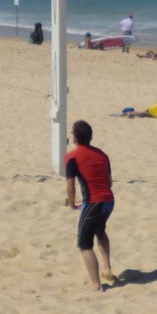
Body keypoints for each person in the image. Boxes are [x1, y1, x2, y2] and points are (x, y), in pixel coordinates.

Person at [64, 120, 116, 291]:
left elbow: (70, 185)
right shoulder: (102, 154)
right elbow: (109, 182)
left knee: (84, 244)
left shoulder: (71, 157)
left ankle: (96, 285)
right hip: (109, 201)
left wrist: (71, 203)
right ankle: (107, 267)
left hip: (94, 203)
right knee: (100, 230)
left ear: (75, 137)